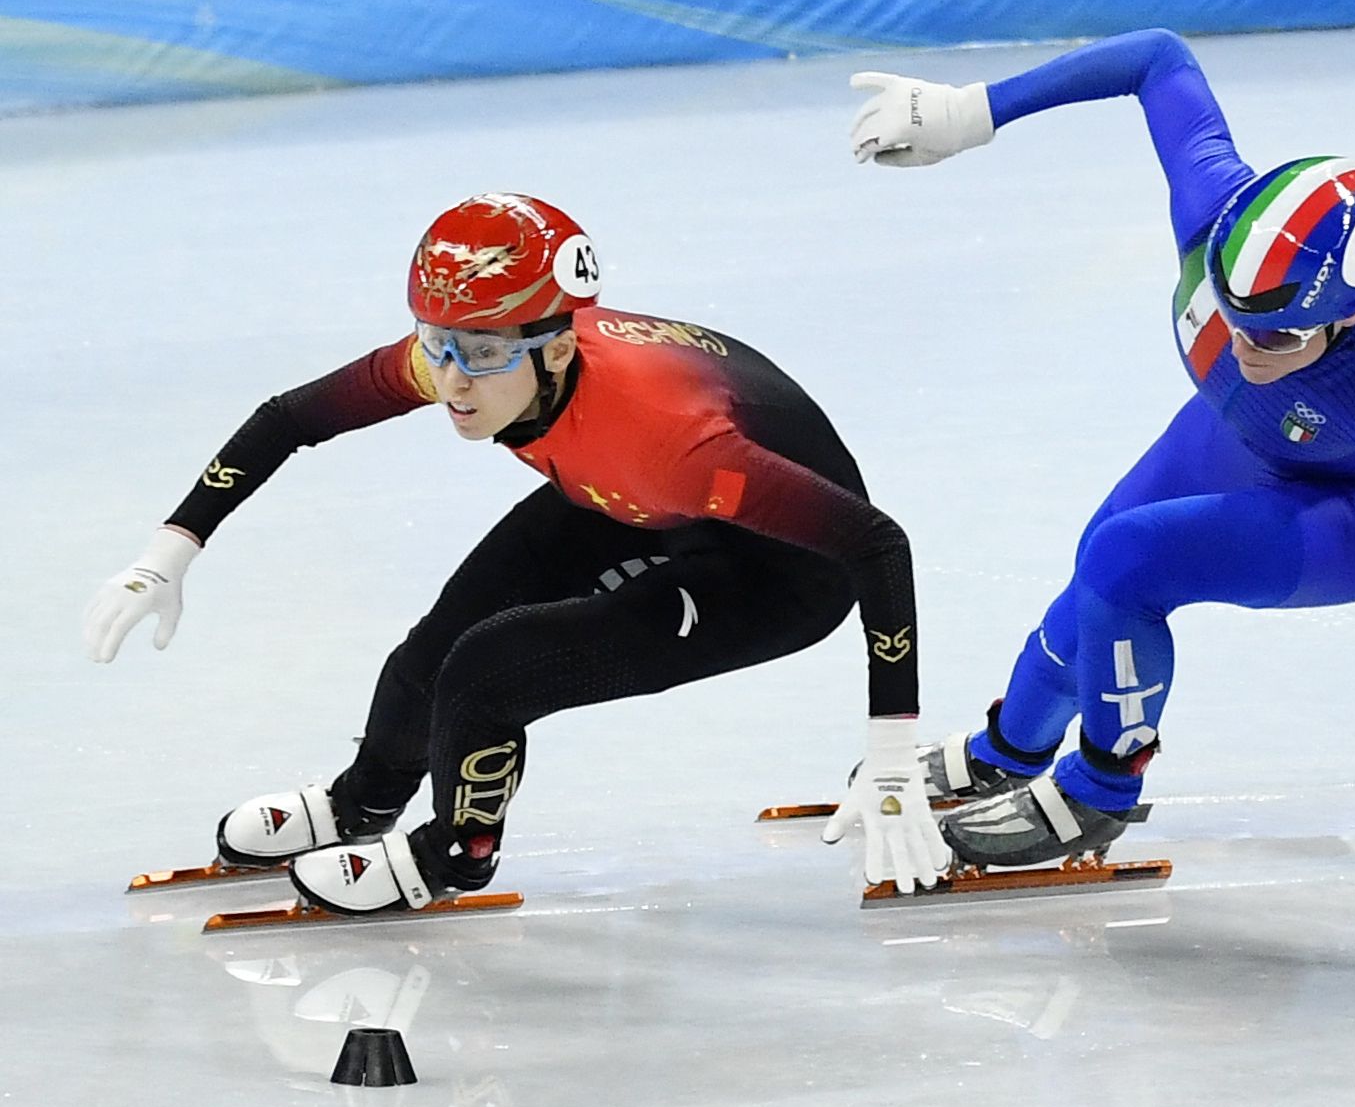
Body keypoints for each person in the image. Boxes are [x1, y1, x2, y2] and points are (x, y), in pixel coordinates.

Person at [846, 30, 1355, 885]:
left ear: (1348, 317)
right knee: (1098, 560)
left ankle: (1099, 790)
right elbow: (1157, 58)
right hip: (1247, 432)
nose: (1249, 341)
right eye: (1233, 310)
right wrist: (971, 111)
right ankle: (1010, 748)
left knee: (1127, 559)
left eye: (1282, 332)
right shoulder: (1210, 206)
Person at [83, 194, 935, 913]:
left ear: (559, 346)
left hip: (777, 568)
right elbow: (289, 419)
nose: (452, 379)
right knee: (431, 649)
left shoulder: (672, 436)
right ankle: (362, 801)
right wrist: (169, 550)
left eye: (482, 355)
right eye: (435, 341)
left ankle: (454, 855)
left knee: (491, 672)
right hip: (624, 493)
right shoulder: (473, 350)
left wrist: (892, 749)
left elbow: (875, 542)